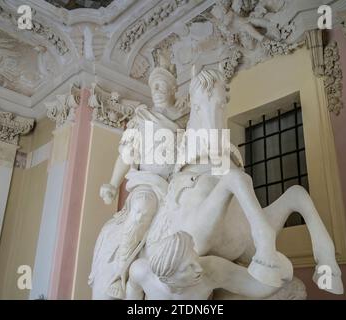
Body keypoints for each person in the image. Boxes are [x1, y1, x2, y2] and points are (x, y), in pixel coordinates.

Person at [98, 50, 182, 299]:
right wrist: (113, 184)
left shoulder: (185, 118)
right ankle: (120, 276)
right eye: (154, 85)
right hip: (148, 183)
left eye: (162, 85)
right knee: (143, 207)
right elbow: (127, 154)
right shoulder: (142, 118)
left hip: (177, 183)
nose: (156, 89)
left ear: (172, 90)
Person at [126, 231, 294, 300]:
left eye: (195, 259)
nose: (198, 268)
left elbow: (254, 286)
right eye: (188, 268)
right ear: (166, 279)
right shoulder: (141, 272)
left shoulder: (211, 270)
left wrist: (283, 271)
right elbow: (133, 293)